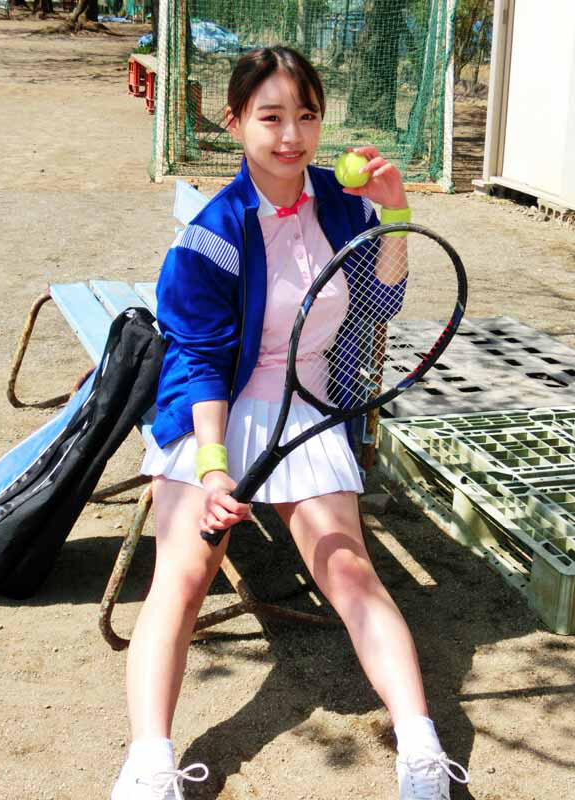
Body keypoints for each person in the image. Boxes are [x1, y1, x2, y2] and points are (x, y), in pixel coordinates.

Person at [111, 46, 470, 800]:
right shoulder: (211, 233)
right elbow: (201, 362)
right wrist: (213, 469)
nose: (291, 135)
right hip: (213, 411)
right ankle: (148, 764)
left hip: (305, 407)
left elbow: (379, 302)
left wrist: (395, 211)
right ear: (235, 122)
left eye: (306, 115)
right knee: (184, 576)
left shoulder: (342, 204)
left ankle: (421, 750)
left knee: (349, 570)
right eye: (270, 117)